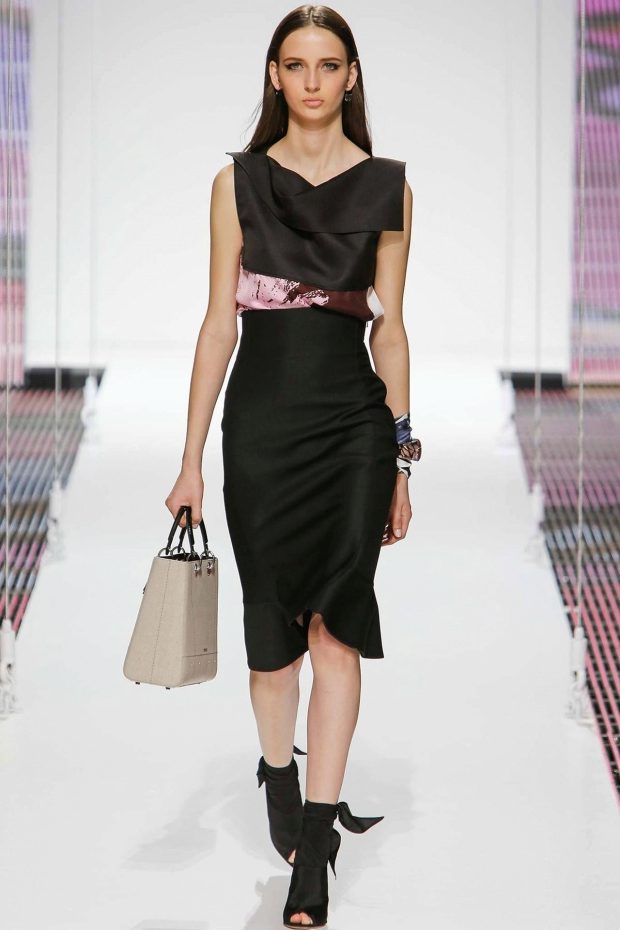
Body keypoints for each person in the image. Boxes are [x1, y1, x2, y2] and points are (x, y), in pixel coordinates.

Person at [165, 5, 420, 926]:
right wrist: (190, 459)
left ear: (352, 76)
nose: (313, 81)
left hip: (352, 430)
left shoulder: (389, 187)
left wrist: (401, 459)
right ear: (275, 76)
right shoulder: (237, 184)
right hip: (262, 429)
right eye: (296, 64)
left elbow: (390, 329)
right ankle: (279, 772)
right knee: (272, 639)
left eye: (329, 64)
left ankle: (314, 847)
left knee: (336, 632)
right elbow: (217, 324)